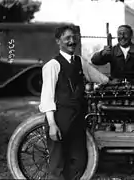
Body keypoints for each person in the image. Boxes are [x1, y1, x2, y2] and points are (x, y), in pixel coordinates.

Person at [39, 25, 109, 180]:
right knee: (58, 164)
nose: (72, 41)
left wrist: (111, 81)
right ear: (58, 41)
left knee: (78, 162)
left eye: (74, 37)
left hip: (78, 119)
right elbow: (47, 97)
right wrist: (52, 125)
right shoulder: (52, 65)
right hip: (60, 118)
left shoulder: (79, 62)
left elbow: (99, 77)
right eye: (67, 38)